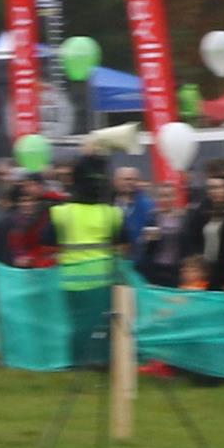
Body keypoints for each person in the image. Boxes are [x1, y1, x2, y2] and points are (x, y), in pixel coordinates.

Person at [49, 157, 125, 368]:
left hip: (71, 281)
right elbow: (124, 241)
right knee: (104, 323)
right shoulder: (112, 214)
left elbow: (46, 238)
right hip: (103, 280)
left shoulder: (62, 213)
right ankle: (102, 361)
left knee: (77, 325)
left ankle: (77, 362)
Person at [180, 171, 224, 290]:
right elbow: (192, 237)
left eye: (220, 187)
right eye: (211, 188)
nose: (215, 191)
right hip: (203, 271)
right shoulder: (202, 211)